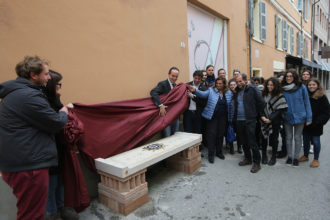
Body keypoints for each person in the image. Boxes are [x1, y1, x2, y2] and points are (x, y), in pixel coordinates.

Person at [0, 56, 68, 220]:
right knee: (32, 214)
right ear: (33, 75)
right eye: (46, 74)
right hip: (29, 167)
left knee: (30, 210)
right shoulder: (28, 97)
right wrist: (63, 113)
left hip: (22, 162)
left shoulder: (19, 93)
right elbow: (55, 123)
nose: (49, 77)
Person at [44, 70, 78, 220]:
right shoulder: (42, 100)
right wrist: (64, 112)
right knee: (51, 183)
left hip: (58, 147)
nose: (60, 87)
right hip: (46, 148)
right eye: (59, 84)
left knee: (59, 179)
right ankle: (52, 213)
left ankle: (62, 207)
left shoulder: (54, 98)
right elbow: (55, 121)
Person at [188, 77, 233, 163]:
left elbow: (230, 105)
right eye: (217, 83)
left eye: (220, 83)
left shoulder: (228, 93)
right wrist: (195, 90)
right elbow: (203, 94)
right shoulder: (211, 90)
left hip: (223, 117)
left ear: (224, 84)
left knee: (220, 135)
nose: (218, 85)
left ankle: (219, 152)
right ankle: (211, 154)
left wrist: (230, 117)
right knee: (212, 135)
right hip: (212, 117)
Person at [233, 75, 265, 173]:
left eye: (240, 81)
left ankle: (257, 163)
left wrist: (257, 115)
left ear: (246, 80)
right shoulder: (237, 91)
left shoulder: (253, 89)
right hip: (239, 120)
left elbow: (261, 103)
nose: (239, 83)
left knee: (252, 141)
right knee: (243, 141)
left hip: (250, 120)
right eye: (237, 82)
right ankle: (248, 158)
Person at [282, 69, 312, 167]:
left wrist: (309, 118)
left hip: (300, 116)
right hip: (287, 117)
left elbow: (307, 103)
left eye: (291, 76)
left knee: (297, 138)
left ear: (294, 77)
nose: (289, 78)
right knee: (288, 137)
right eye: (287, 76)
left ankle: (295, 158)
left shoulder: (302, 87)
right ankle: (290, 157)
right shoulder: (283, 88)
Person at [299, 78, 330, 168]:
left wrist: (317, 122)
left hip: (316, 124)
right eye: (309, 85)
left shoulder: (322, 97)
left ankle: (316, 159)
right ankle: (305, 156)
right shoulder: (305, 95)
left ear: (317, 85)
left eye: (313, 85)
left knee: (316, 141)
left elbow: (327, 112)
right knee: (305, 141)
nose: (311, 86)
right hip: (305, 123)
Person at [260, 77, 288, 166]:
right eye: (268, 85)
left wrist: (270, 119)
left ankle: (273, 157)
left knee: (274, 139)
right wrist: (262, 117)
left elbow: (280, 110)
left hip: (275, 121)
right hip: (263, 120)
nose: (269, 86)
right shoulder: (263, 94)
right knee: (264, 138)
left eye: (271, 85)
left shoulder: (280, 96)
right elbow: (259, 107)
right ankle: (264, 155)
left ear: (275, 85)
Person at [150, 67, 180, 137]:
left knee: (175, 136)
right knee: (167, 136)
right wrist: (160, 105)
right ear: (169, 74)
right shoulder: (163, 84)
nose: (174, 78)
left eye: (176, 76)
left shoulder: (176, 86)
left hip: (175, 115)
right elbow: (153, 92)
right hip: (166, 115)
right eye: (173, 76)